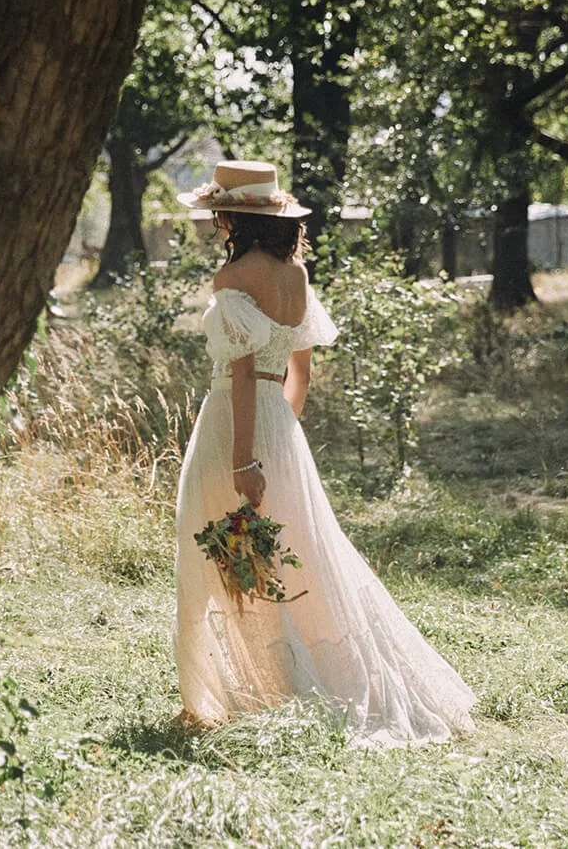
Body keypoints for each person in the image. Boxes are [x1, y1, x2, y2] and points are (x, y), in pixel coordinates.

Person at [171, 160, 476, 746]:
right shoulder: (296, 275)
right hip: (281, 427)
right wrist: (278, 437)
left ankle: (255, 689)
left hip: (234, 427)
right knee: (289, 554)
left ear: (233, 217)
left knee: (223, 548)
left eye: (218, 214)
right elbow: (300, 373)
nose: (216, 224)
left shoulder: (234, 277)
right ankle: (273, 683)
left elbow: (238, 375)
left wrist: (244, 457)